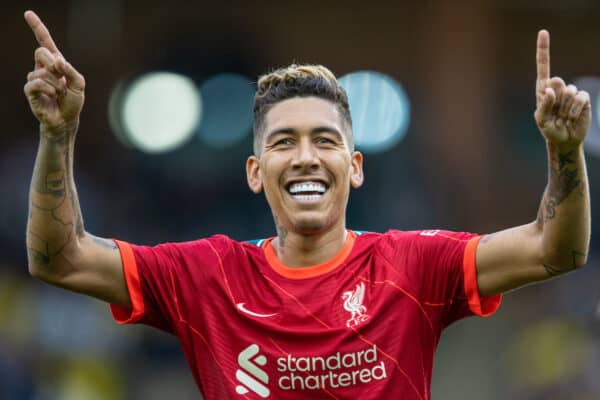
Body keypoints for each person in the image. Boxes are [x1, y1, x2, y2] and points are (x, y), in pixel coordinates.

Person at [23, 9, 590, 400]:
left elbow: (555, 250)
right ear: (254, 172)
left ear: (356, 167)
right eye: (282, 142)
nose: (305, 158)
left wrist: (565, 152)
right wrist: (59, 134)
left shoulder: (412, 266)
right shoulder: (205, 277)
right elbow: (61, 258)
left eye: (325, 140)